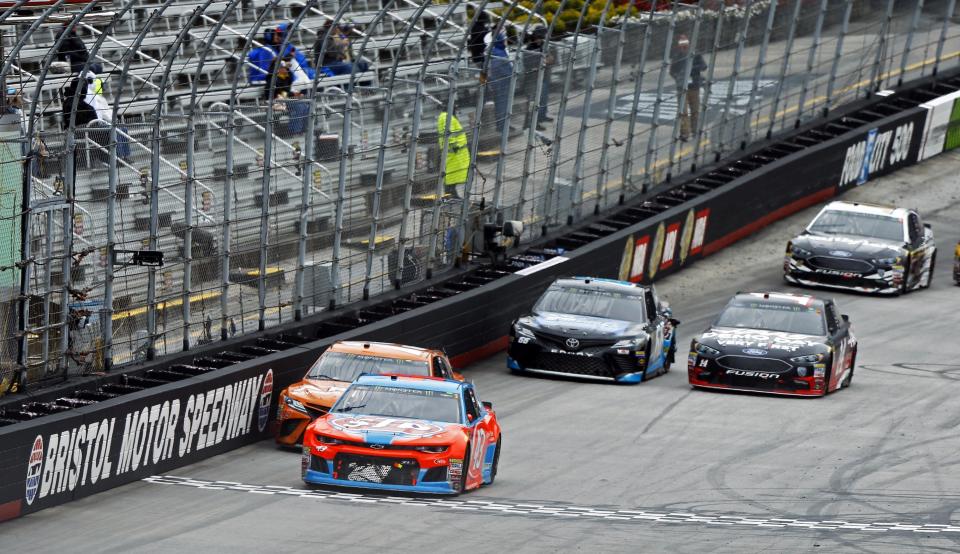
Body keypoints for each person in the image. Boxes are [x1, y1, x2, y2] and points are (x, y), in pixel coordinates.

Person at [248, 22, 315, 85]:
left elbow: (301, 61)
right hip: (273, 78)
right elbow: (269, 68)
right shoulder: (266, 50)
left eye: (279, 35)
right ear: (270, 37)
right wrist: (287, 58)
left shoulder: (285, 46)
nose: (278, 37)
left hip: (286, 76)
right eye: (276, 35)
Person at [669, 34, 707, 142]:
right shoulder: (677, 56)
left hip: (694, 86)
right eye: (681, 46)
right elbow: (672, 71)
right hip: (682, 88)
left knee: (695, 110)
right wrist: (679, 78)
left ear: (688, 45)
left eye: (685, 45)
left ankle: (695, 131)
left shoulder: (696, 54)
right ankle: (685, 133)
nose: (683, 48)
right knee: (683, 111)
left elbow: (704, 66)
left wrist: (692, 69)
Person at [522, 26, 555, 131]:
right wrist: (543, 61)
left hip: (542, 78)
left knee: (541, 100)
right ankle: (530, 124)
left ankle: (539, 119)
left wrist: (545, 61)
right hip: (532, 81)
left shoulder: (542, 46)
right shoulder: (530, 48)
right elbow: (531, 64)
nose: (543, 39)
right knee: (532, 103)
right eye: (541, 36)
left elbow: (550, 59)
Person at [484, 33, 513, 135]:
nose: (506, 42)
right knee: (501, 105)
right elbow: (498, 67)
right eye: (504, 40)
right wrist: (510, 73)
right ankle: (501, 126)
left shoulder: (500, 51)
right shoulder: (497, 52)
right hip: (500, 83)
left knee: (504, 105)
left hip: (503, 82)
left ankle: (505, 124)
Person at [437, 110, 469, 199]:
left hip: (455, 153)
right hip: (454, 153)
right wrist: (454, 145)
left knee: (453, 176)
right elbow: (447, 131)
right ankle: (450, 196)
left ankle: (452, 195)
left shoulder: (447, 115)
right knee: (450, 176)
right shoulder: (445, 116)